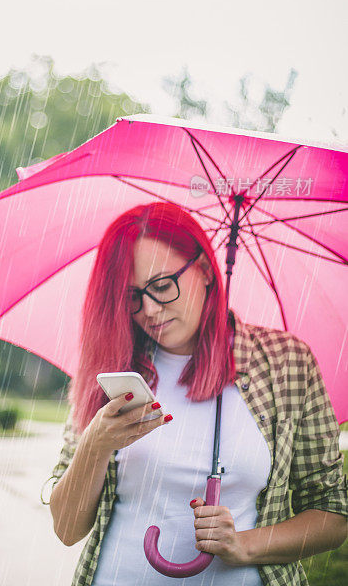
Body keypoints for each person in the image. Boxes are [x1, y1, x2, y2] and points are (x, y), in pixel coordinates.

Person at [46, 201, 348, 586]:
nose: (150, 310)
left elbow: (332, 515)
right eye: (133, 296)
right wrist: (95, 445)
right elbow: (67, 528)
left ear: (205, 270)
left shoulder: (286, 363)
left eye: (161, 285)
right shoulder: (117, 369)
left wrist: (245, 544)